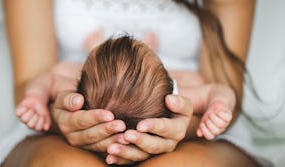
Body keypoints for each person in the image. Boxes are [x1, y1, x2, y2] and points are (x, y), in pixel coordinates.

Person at [0, 0, 258, 166]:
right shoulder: (183, 89)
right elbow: (215, 92)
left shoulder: (69, 78)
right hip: (63, 127)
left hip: (186, 128)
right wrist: (51, 116)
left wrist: (193, 125)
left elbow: (44, 82)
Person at [17, 36, 235, 140]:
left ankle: (92, 46)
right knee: (197, 80)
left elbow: (48, 80)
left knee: (61, 68)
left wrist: (36, 97)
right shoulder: (174, 97)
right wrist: (219, 105)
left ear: (79, 84)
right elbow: (217, 89)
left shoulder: (78, 93)